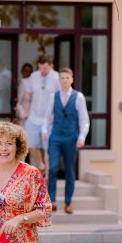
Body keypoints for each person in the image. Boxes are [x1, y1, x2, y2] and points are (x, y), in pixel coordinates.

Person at [42, 68, 90, 214]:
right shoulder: (53, 96)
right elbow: (47, 116)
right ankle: (52, 201)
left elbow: (84, 119)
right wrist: (44, 130)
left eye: (67, 78)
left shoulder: (79, 97)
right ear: (59, 80)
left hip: (71, 137)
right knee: (53, 168)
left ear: (72, 79)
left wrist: (82, 137)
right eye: (62, 78)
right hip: (55, 136)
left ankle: (68, 202)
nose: (64, 80)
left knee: (69, 170)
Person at [22, 54, 60, 176]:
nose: (42, 71)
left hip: (49, 119)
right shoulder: (34, 76)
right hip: (33, 116)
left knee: (48, 148)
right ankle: (41, 165)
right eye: (40, 68)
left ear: (51, 66)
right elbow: (28, 95)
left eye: (45, 68)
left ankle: (48, 175)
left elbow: (59, 98)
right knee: (31, 144)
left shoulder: (56, 77)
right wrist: (26, 112)